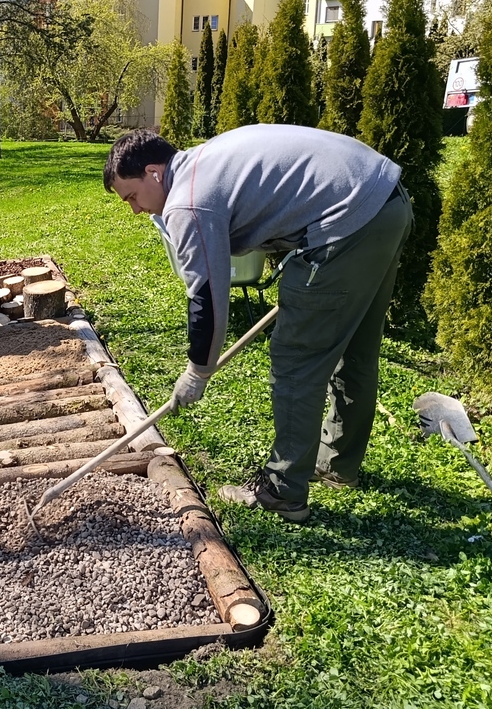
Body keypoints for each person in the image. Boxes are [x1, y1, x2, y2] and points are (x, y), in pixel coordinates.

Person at [104, 125, 413, 522]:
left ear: (154, 173)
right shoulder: (202, 162)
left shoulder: (187, 202)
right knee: (354, 349)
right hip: (385, 201)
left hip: (348, 220)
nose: (135, 209)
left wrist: (198, 372)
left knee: (296, 360)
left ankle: (282, 490)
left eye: (132, 196)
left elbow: (207, 296)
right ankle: (337, 465)